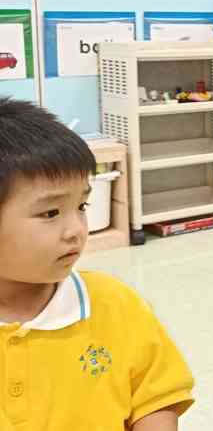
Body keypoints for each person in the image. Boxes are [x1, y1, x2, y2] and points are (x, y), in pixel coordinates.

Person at [0, 98, 194, 431]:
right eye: (50, 213)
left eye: (82, 205)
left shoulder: (115, 305)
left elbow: (157, 400)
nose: (76, 229)